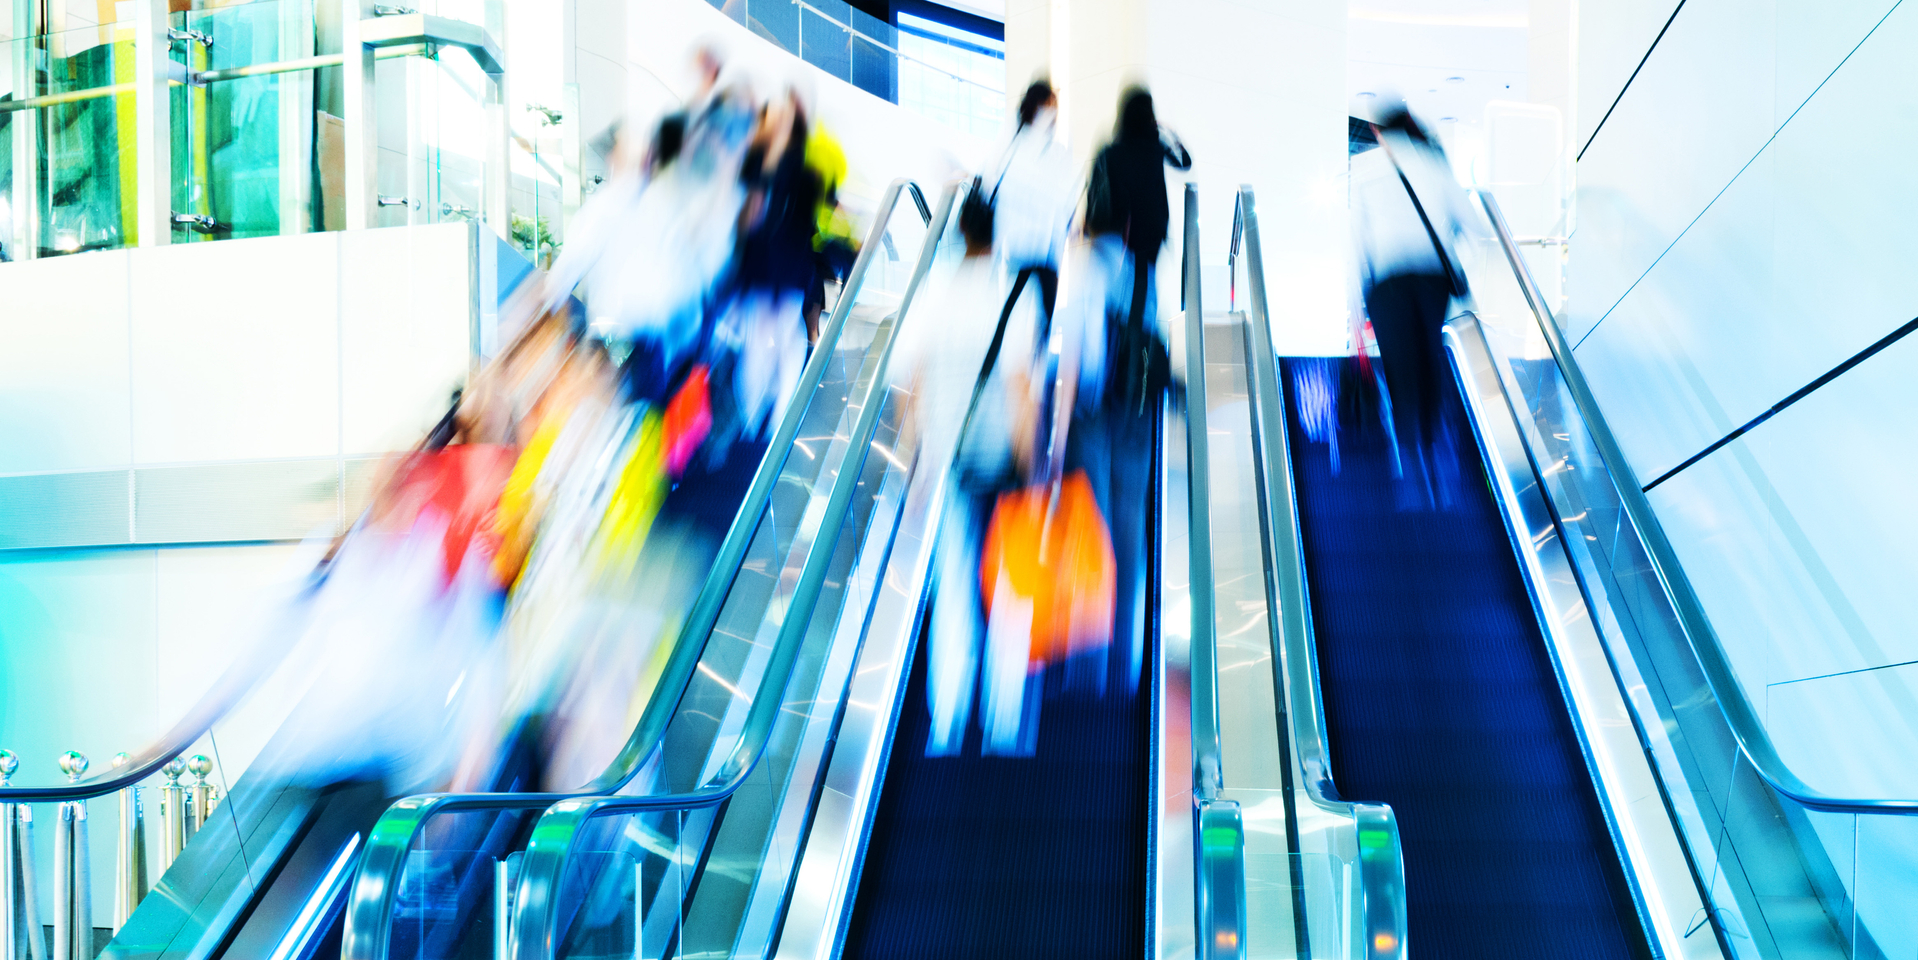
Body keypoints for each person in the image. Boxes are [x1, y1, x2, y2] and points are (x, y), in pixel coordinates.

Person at [1070, 85, 1189, 696]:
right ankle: (1131, 657)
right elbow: (1185, 161)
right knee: (1130, 515)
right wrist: (1161, 137)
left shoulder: (1096, 260)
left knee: (1092, 512)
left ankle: (1090, 655)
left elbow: (1078, 333)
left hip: (1096, 387)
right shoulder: (1150, 271)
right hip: (1141, 382)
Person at [1351, 105, 1473, 503]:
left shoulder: (1366, 172)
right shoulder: (1433, 165)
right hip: (1431, 279)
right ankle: (1444, 467)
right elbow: (1471, 220)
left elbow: (1357, 242)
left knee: (1402, 373)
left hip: (1388, 285)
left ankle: (1414, 480)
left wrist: (1355, 303)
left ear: (1379, 132)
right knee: (1430, 362)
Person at [990, 79, 1077, 344]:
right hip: (1026, 248)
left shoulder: (1014, 143)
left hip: (1033, 250)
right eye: (1049, 106)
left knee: (1019, 318)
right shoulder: (1016, 142)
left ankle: (1025, 375)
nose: (1052, 115)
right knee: (1020, 319)